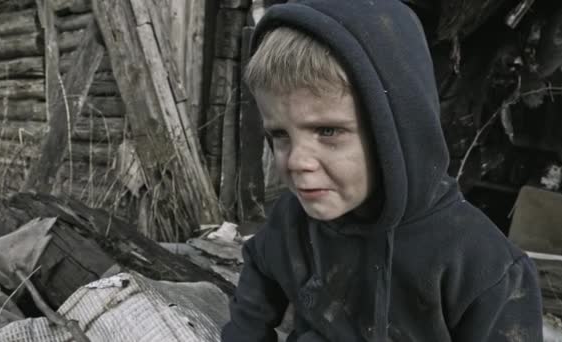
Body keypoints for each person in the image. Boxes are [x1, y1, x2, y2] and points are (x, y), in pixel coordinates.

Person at [221, 0, 543, 341]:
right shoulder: (293, 220)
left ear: (399, 131)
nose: (297, 161)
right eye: (280, 135)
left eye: (328, 131)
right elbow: (259, 266)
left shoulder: (486, 269)